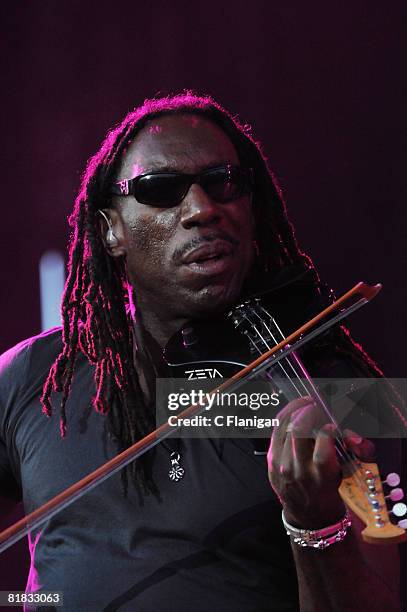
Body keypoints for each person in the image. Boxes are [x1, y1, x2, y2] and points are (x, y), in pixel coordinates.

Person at [0, 93, 403, 611]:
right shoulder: (30, 375)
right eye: (161, 190)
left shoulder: (330, 385)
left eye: (223, 182)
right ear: (110, 232)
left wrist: (315, 525)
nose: (202, 209)